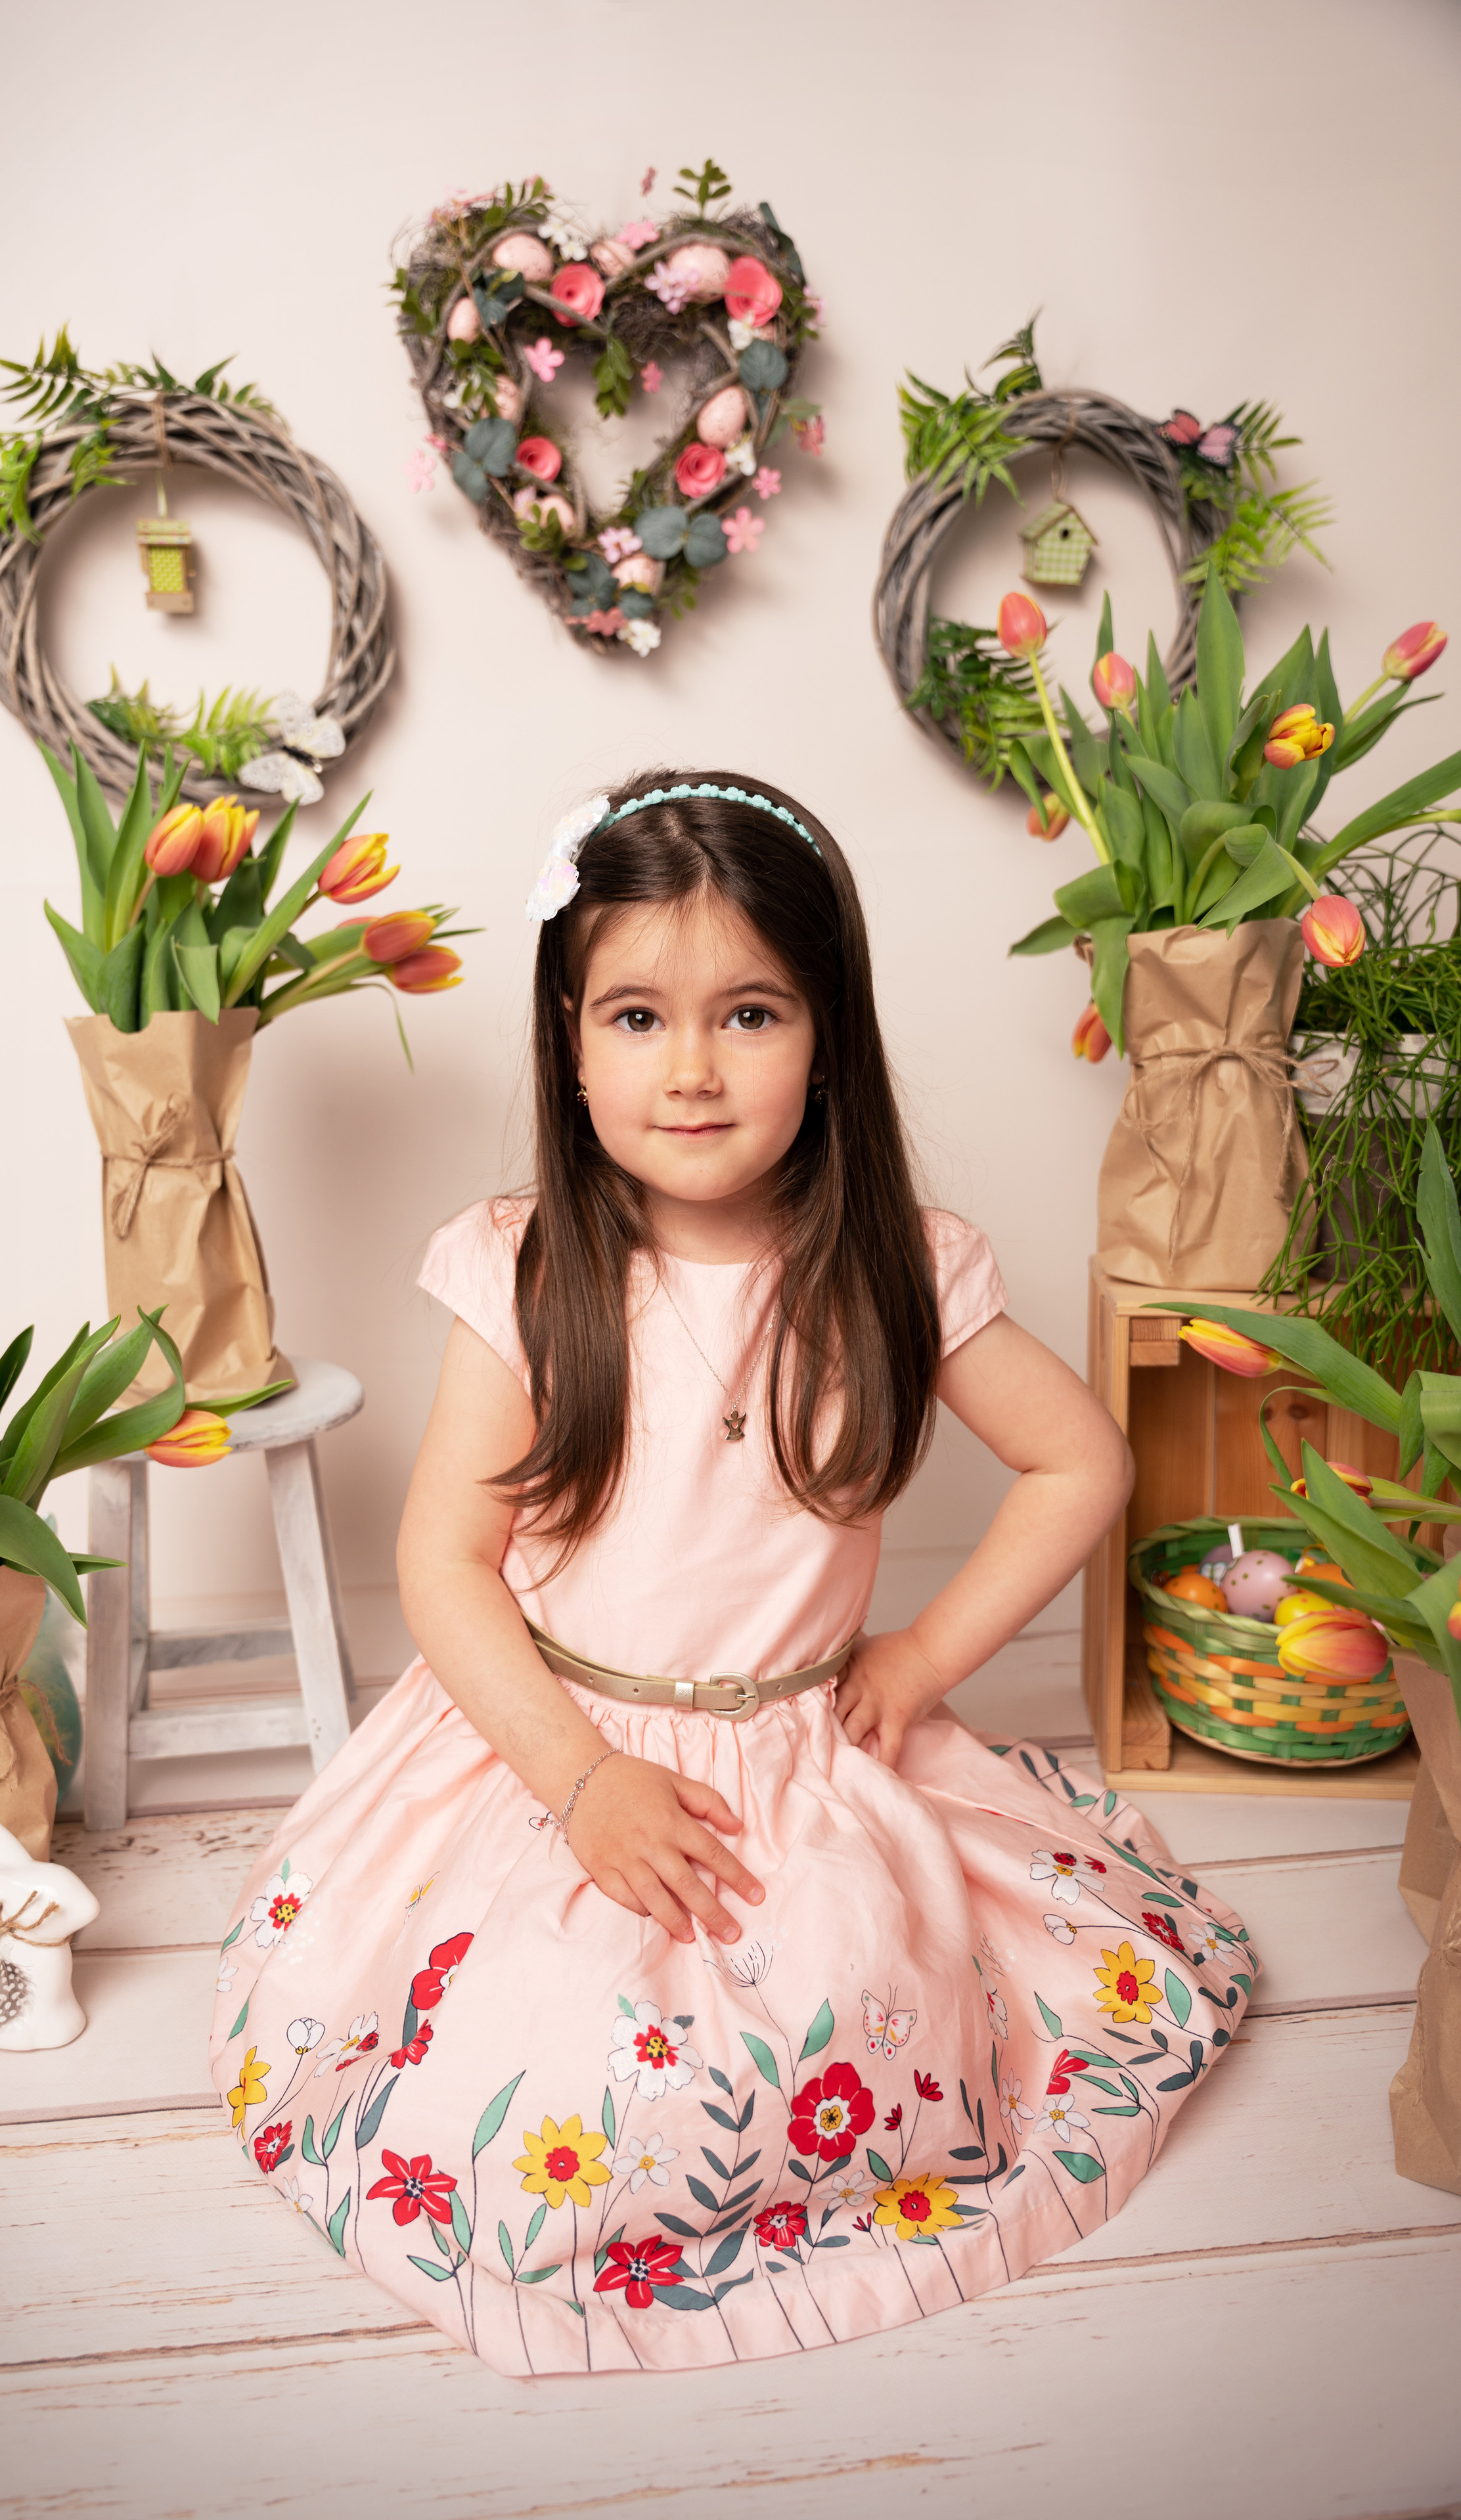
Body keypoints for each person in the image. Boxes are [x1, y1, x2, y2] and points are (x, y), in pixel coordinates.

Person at [209, 772, 1257, 2376]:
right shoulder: (527, 1261)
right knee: (545, 2063)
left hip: (795, 1761)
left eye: (749, 1011)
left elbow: (1083, 1462)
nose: (689, 1069)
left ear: (827, 1031)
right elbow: (445, 1559)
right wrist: (577, 1780)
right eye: (634, 1014)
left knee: (857, 2017)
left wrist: (914, 1661)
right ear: (566, 1037)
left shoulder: (897, 1258)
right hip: (555, 1748)